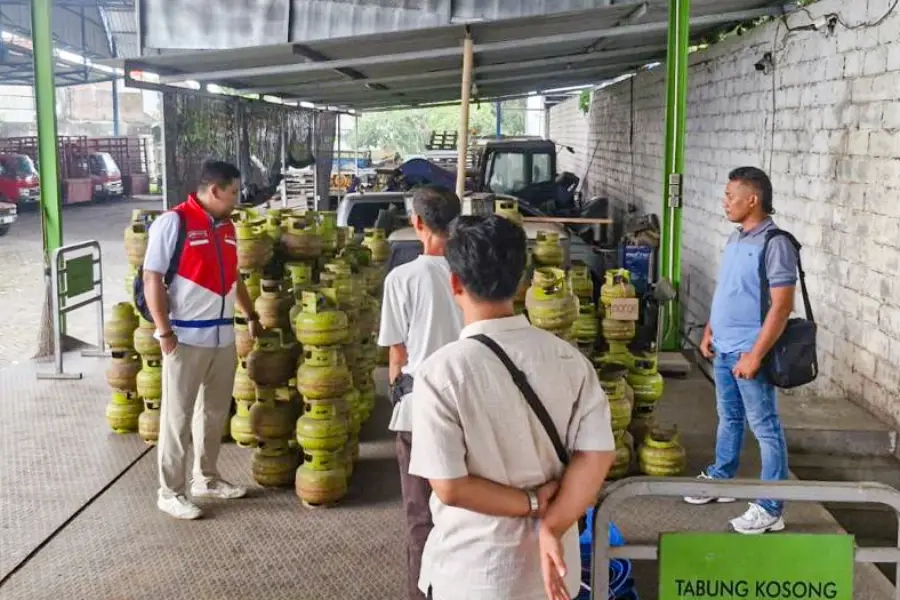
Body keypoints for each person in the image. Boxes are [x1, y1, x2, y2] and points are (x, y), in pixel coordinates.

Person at [408, 215, 616, 600]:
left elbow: (450, 487)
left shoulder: (441, 373)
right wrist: (551, 524)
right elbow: (597, 456)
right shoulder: (570, 361)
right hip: (552, 573)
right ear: (522, 281)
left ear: (455, 282)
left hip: (472, 573)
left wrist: (531, 502)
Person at [143, 159, 261, 520]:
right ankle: (170, 491)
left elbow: (234, 278)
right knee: (176, 418)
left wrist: (251, 314)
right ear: (214, 190)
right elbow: (152, 278)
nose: (237, 199)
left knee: (212, 413)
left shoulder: (227, 227)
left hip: (222, 337)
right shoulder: (173, 223)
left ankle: (206, 479)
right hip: (185, 338)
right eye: (234, 192)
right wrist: (164, 331)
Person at [686, 166, 797, 534]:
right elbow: (728, 290)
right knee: (729, 418)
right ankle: (722, 477)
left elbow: (781, 307)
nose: (725, 202)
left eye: (730, 196)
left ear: (753, 199)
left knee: (765, 428)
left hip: (750, 353)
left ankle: (771, 507)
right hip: (723, 348)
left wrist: (755, 355)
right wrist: (709, 330)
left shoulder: (775, 243)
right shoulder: (736, 239)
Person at [376, 184, 464, 600]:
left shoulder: (402, 278)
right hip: (469, 410)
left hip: (418, 413)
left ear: (417, 223)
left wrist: (399, 390)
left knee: (420, 517)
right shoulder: (474, 274)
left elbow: (398, 352)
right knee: (467, 513)